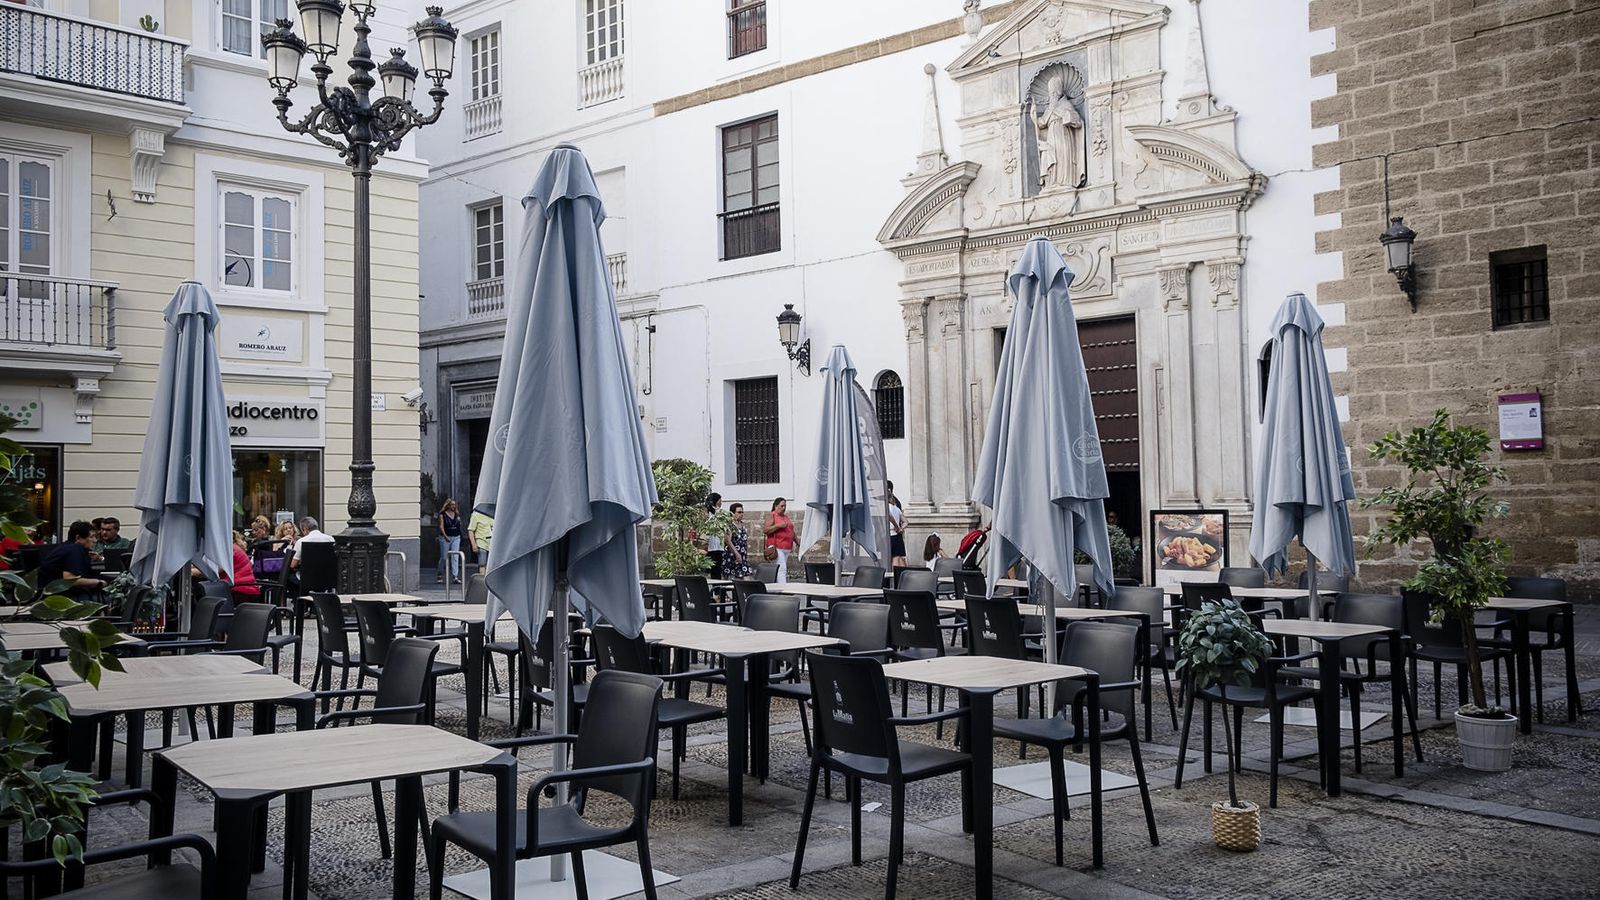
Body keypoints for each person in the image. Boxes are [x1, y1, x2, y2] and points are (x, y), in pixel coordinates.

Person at [39, 521, 103, 600]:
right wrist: (99, 582)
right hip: (62, 597)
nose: (95, 540)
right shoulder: (74, 549)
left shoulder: (65, 547)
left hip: (50, 595)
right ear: (78, 538)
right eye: (91, 537)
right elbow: (70, 580)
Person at [762, 498, 796, 584]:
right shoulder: (772, 515)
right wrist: (778, 526)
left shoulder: (786, 517)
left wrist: (798, 542)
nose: (784, 508)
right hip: (776, 547)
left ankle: (776, 586)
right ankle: (783, 588)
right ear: (776, 506)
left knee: (780, 568)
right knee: (782, 568)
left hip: (786, 547)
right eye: (782, 506)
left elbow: (792, 532)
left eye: (785, 506)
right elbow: (766, 530)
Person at [436, 498, 464, 585]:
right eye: (452, 505)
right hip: (445, 537)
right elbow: (441, 527)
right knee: (444, 557)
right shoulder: (442, 515)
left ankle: (455, 576)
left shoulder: (456, 514)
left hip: (456, 536)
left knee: (455, 556)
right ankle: (440, 573)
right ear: (448, 505)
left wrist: (459, 521)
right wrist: (445, 536)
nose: (454, 506)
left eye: (454, 505)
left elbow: (459, 525)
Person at [722, 502, 753, 579]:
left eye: (742, 512)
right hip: (732, 556)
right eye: (739, 512)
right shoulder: (730, 525)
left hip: (742, 557)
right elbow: (728, 540)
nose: (741, 514)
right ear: (732, 513)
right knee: (731, 580)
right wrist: (736, 553)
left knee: (746, 577)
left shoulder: (742, 525)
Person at [887, 481, 908, 567]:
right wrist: (900, 528)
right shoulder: (896, 507)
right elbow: (906, 521)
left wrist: (896, 526)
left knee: (890, 559)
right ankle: (900, 578)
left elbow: (889, 516)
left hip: (889, 535)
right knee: (897, 558)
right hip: (896, 535)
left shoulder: (886, 506)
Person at [703, 493, 725, 575]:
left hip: (718, 546)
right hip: (710, 545)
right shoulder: (708, 513)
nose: (721, 503)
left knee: (717, 570)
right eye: (720, 501)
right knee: (711, 570)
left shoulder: (719, 513)